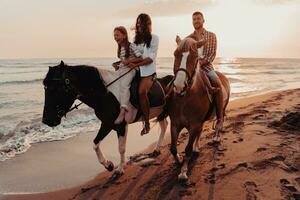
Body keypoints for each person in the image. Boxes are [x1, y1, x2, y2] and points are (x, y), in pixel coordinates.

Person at [186, 11, 224, 132]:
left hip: (206, 67)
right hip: (192, 69)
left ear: (203, 20)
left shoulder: (211, 36)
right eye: (194, 19)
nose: (196, 21)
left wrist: (199, 63)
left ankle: (220, 118)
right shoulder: (189, 38)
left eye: (198, 19)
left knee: (217, 83)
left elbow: (211, 55)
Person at [127, 13, 159, 135]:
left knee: (141, 92)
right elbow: (134, 56)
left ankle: (146, 123)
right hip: (137, 71)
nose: (139, 26)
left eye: (142, 23)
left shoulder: (154, 38)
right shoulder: (135, 40)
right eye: (138, 23)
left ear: (147, 25)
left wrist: (135, 64)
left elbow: (150, 59)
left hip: (149, 72)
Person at [112, 26, 142, 124]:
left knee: (124, 85)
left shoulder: (131, 46)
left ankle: (123, 110)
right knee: (112, 82)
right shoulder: (120, 48)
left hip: (131, 69)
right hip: (123, 69)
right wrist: (117, 64)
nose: (115, 37)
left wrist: (129, 60)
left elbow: (140, 58)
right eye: (114, 36)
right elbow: (122, 61)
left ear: (124, 35)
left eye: (117, 35)